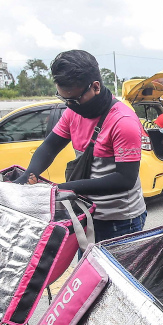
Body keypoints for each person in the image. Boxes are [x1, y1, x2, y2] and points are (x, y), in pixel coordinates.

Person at [14, 49, 147, 240]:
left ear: (95, 87)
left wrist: (62, 188)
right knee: (87, 270)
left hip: (119, 221)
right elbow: (50, 147)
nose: (70, 105)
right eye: (65, 99)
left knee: (110, 271)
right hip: (87, 213)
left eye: (75, 99)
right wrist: (30, 175)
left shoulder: (123, 121)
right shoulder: (73, 112)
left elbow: (124, 179)